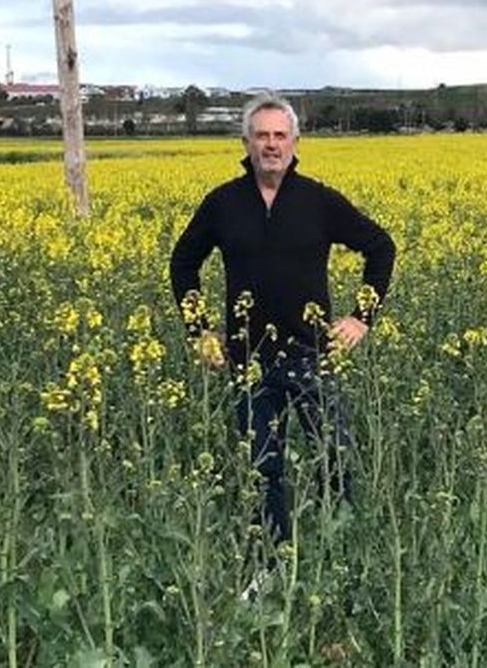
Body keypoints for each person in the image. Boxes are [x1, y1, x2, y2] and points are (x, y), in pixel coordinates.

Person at [169, 91, 395, 579]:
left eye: (279, 135)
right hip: (247, 359)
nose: (271, 144)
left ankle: (341, 566)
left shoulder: (319, 200)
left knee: (334, 460)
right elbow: (182, 262)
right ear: (246, 143)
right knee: (262, 469)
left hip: (313, 355)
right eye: (261, 135)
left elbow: (381, 247)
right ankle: (267, 570)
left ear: (295, 141)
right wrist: (199, 330)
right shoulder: (223, 203)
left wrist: (361, 317)